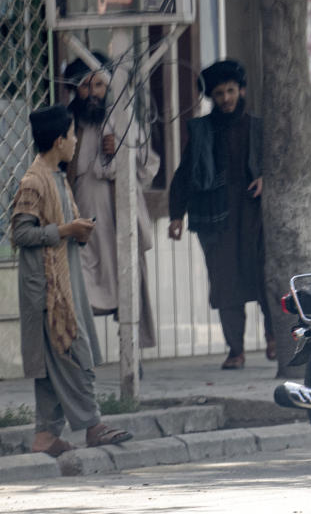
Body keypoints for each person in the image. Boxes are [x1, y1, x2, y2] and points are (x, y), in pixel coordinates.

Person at [12, 105, 133, 457]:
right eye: (72, 134)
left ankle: (45, 437)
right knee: (72, 354)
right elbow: (21, 234)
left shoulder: (57, 178)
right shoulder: (34, 181)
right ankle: (93, 425)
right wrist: (66, 230)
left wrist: (79, 231)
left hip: (66, 282)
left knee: (55, 365)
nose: (77, 140)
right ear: (58, 140)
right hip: (48, 291)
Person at [168, 60, 273, 369]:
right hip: (217, 219)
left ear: (241, 90)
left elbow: (278, 165)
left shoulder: (258, 127)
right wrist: (176, 215)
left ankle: (273, 338)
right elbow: (185, 173)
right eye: (219, 93)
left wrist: (267, 179)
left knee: (265, 276)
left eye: (230, 91)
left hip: (255, 217)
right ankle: (235, 350)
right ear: (211, 97)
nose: (226, 98)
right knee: (225, 282)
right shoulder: (202, 131)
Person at [63, 53, 159, 349]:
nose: (92, 93)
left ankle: (131, 353)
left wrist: (122, 151)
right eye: (85, 87)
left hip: (120, 221)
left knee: (127, 285)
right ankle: (82, 353)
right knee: (80, 288)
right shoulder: (68, 127)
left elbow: (148, 167)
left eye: (99, 86)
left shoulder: (123, 120)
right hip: (83, 224)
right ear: (75, 91)